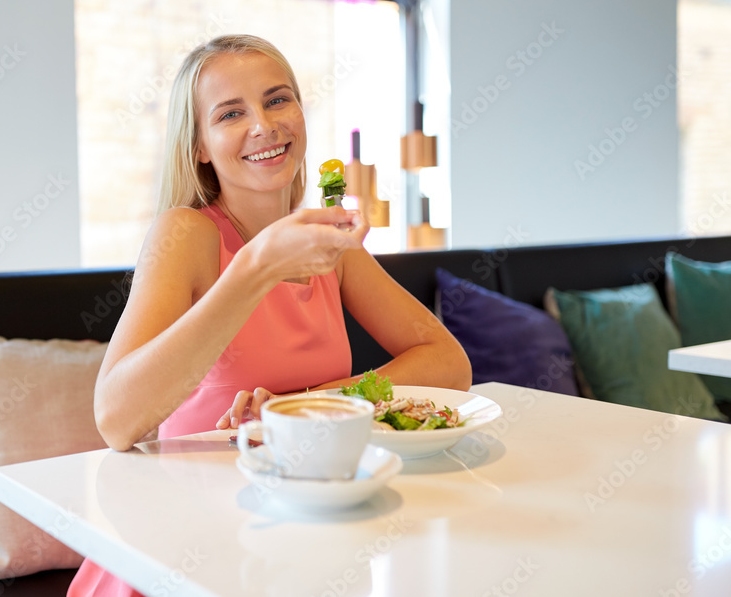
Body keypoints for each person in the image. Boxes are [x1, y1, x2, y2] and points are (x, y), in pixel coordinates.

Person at [67, 35, 471, 596]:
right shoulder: (186, 234)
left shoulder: (330, 243)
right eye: (231, 113)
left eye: (278, 100)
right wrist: (254, 268)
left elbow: (448, 362)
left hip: (306, 529)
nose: (264, 124)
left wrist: (307, 408)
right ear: (201, 145)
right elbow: (115, 419)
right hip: (189, 544)